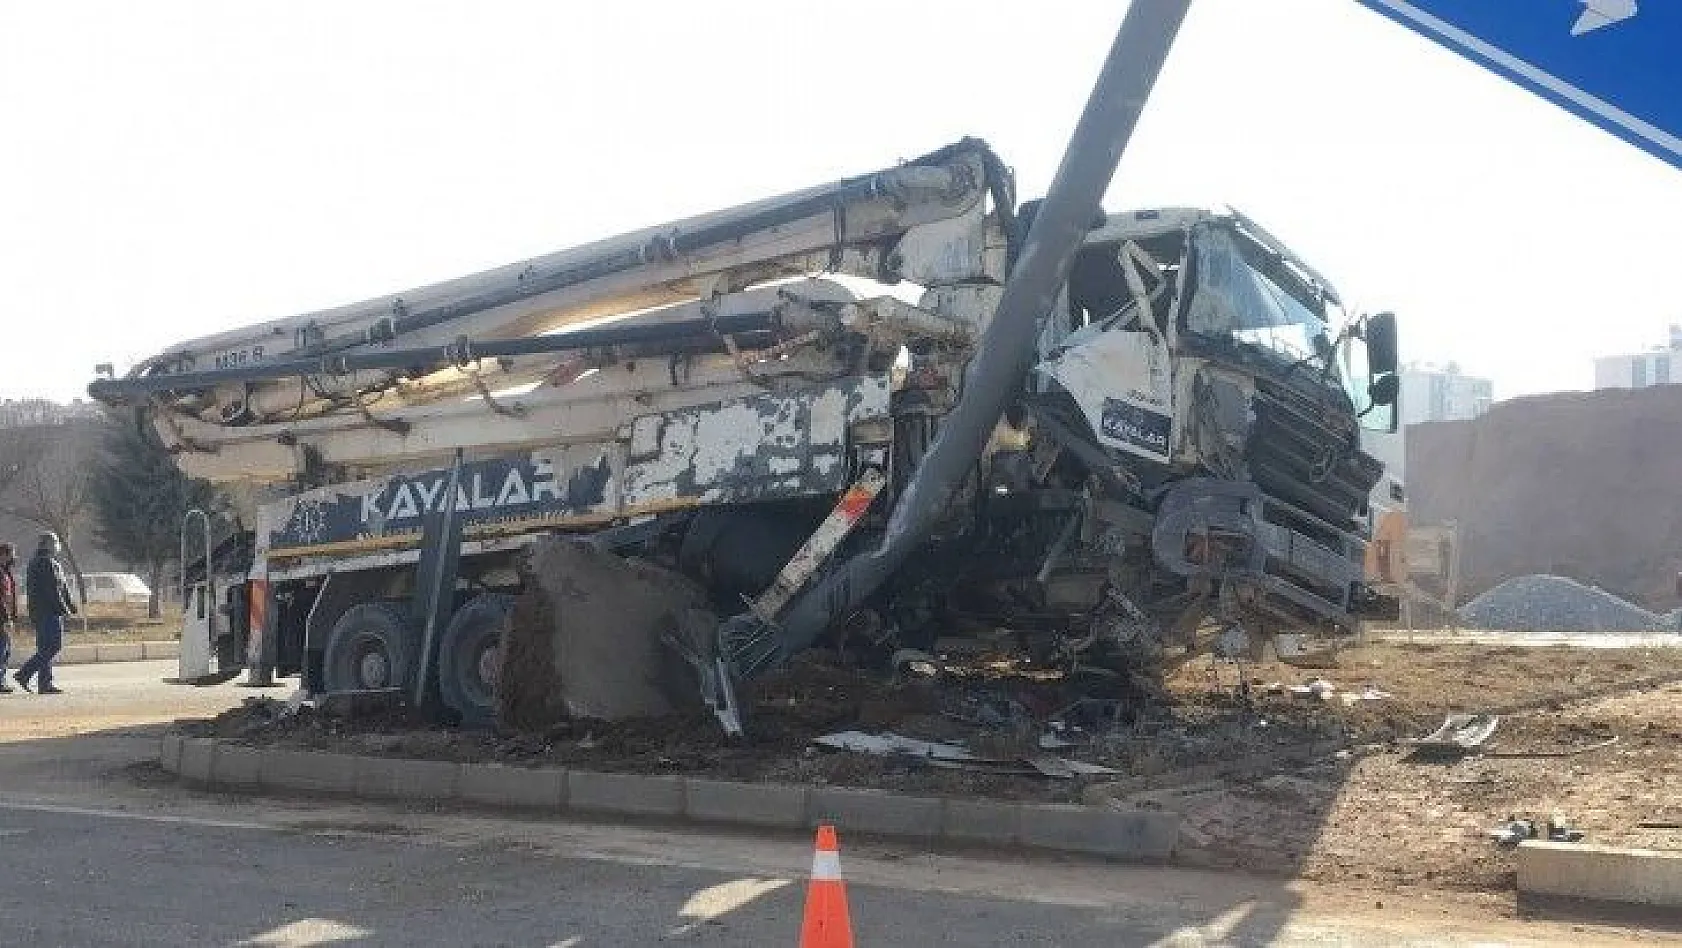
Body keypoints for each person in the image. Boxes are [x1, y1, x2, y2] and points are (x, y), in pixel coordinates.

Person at [16, 532, 76, 695]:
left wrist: (70, 604)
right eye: (55, 542)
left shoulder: (40, 562)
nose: (57, 546)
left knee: (44, 648)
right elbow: (53, 591)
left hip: (40, 612)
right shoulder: (45, 563)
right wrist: (65, 609)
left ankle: (45, 683)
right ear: (49, 544)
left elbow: (61, 588)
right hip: (48, 612)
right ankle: (24, 673)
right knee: (53, 646)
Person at [0, 543, 16, 694]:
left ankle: (2, 680)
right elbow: (3, 598)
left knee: (6, 649)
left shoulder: (6, 571)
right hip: (2, 617)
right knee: (3, 649)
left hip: (5, 615)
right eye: (11, 554)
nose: (13, 558)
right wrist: (6, 618)